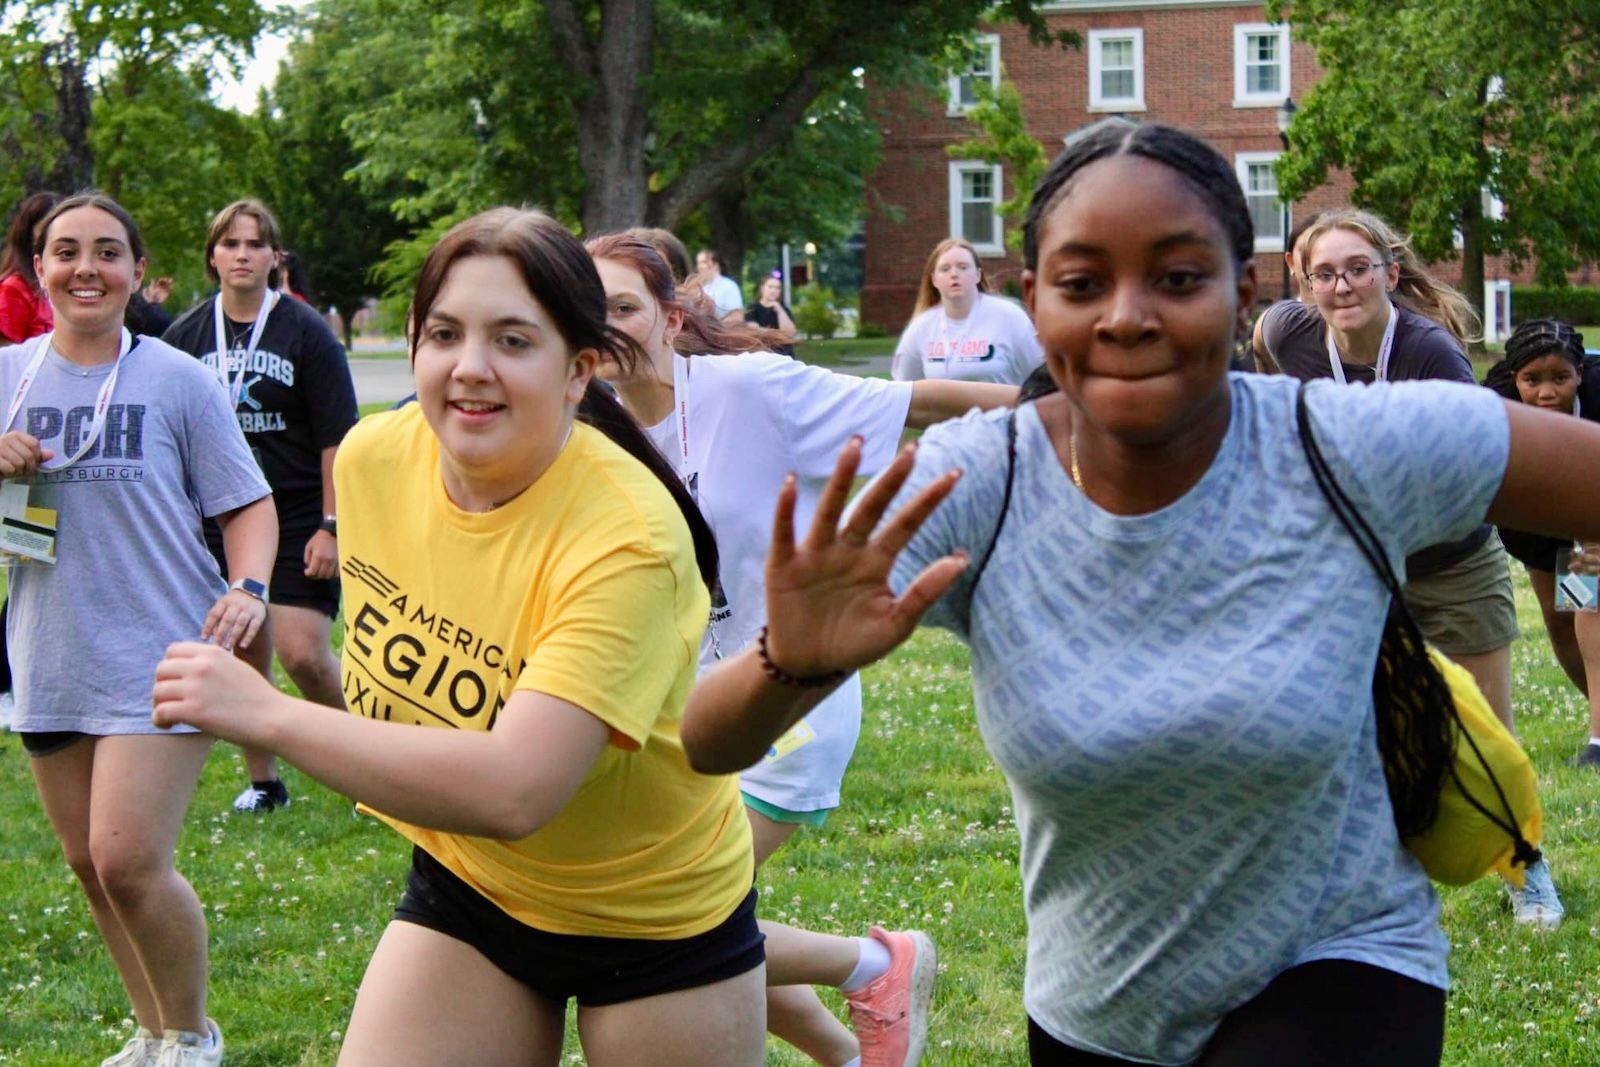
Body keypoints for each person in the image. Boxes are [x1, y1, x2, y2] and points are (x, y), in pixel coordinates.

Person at [678, 122, 1600, 1067]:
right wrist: (792, 660)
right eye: (1082, 284)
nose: (1128, 315)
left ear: (1244, 292)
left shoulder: (1346, 448)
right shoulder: (972, 485)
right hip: (1096, 1009)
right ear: (1032, 300)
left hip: (1342, 958)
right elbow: (711, 742)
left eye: (1178, 277)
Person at [152, 207, 765, 1066]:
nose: (470, 368)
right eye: (445, 333)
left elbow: (517, 786)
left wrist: (271, 716)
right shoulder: (374, 461)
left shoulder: (628, 536)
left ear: (579, 369)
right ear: (414, 344)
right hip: (473, 888)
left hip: (655, 916)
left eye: (514, 341)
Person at [587, 231, 1014, 1067]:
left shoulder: (752, 391)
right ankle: (855, 1050)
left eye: (623, 308)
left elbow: (923, 402)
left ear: (671, 318)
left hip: (789, 700)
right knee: (681, 916)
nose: (601, 328)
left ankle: (874, 964)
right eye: (583, 311)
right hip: (673, 717)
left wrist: (1078, 412)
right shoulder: (579, 425)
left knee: (661, 916)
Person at [3, 192, 276, 1067]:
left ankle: (195, 1036)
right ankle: (154, 1031)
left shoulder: (175, 377)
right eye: (66, 251)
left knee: (126, 859)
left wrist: (249, 586)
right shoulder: (8, 376)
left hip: (164, 648)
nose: (87, 267)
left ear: (136, 269)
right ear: (38, 268)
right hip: (49, 652)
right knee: (89, 867)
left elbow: (249, 502)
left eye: (108, 252)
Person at [1249, 209, 1563, 927]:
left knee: (1487, 734)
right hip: (1353, 562)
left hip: (1447, 557)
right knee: (1344, 728)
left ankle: (1527, 870)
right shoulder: (1284, 332)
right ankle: (1356, 882)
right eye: (1324, 272)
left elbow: (1467, 476)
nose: (1342, 284)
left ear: (1390, 272)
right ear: (1303, 280)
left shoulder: (1431, 355)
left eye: (1358, 268)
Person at [163, 199, 359, 814]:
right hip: (219, 518)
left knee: (302, 651)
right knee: (243, 643)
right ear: (213, 256)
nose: (242, 254)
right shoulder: (186, 335)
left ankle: (371, 761)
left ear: (276, 257)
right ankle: (265, 782)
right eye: (230, 243)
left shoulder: (305, 332)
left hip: (299, 512)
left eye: (255, 244)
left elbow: (337, 435)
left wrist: (331, 525)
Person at [1484, 319, 1600, 770]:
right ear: (1516, 379)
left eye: (1560, 379)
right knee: (1558, 619)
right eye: (1533, 380)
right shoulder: (1497, 405)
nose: (1547, 393)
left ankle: (1597, 742)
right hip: (1533, 513)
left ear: (1580, 374)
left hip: (1590, 504)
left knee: (1588, 605)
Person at [891, 238, 1044, 385]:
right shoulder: (921, 327)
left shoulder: (1010, 317)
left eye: (963, 267)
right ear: (934, 279)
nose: (954, 274)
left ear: (977, 275)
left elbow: (1040, 376)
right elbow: (904, 389)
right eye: (945, 269)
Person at [0, 191, 60, 344]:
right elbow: (5, 356)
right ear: (28, 233)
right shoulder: (15, 290)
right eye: (45, 229)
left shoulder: (66, 284)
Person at [745, 274, 797, 355]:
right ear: (762, 288)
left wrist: (779, 309)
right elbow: (754, 331)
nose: (774, 290)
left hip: (784, 353)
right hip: (762, 352)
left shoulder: (784, 310)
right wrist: (779, 334)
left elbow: (789, 333)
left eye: (777, 288)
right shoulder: (752, 309)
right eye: (770, 287)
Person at [697, 247, 745, 322]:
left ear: (716, 264)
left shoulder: (729, 286)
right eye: (699, 263)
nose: (700, 266)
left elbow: (737, 317)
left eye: (704, 262)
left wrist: (713, 327)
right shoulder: (702, 289)